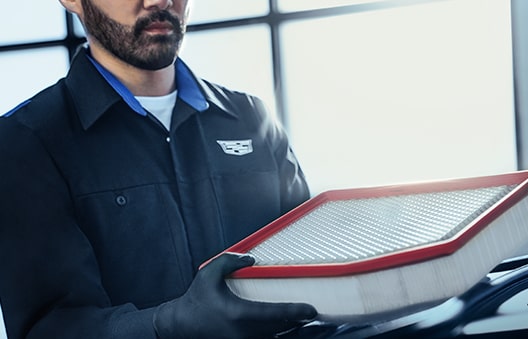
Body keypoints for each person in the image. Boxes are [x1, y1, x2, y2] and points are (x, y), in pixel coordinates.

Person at [0, 0, 318, 337]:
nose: (159, 1)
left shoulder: (252, 118)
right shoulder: (27, 142)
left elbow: (314, 271)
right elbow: (50, 328)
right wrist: (166, 324)